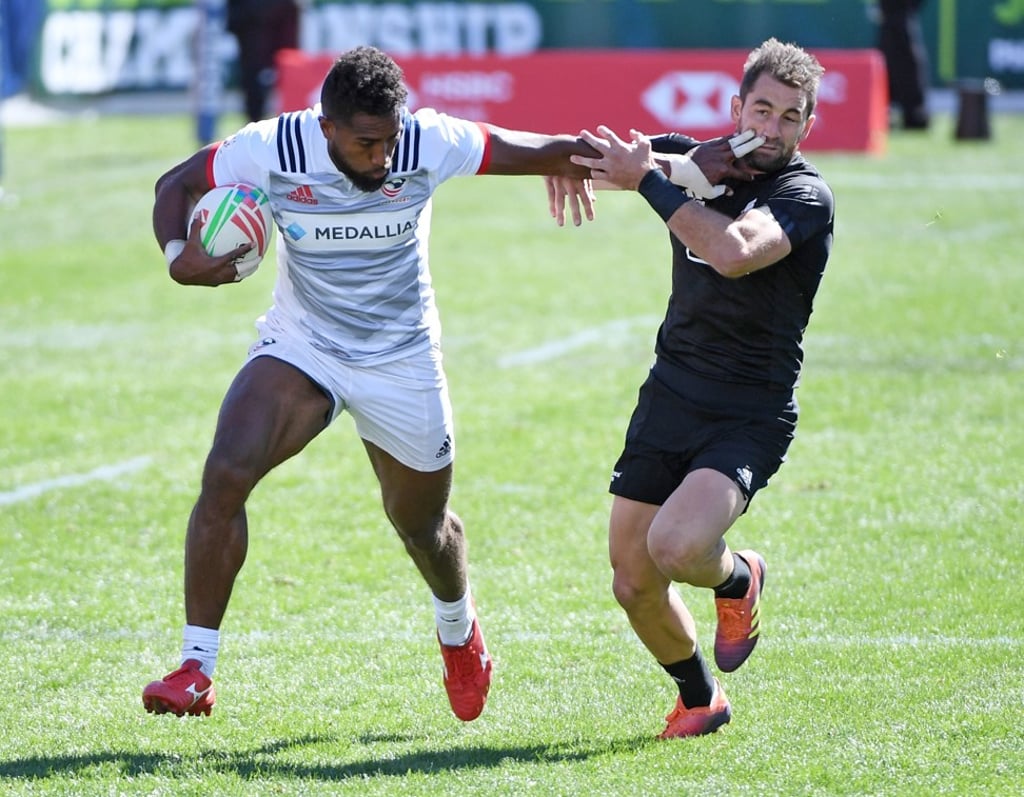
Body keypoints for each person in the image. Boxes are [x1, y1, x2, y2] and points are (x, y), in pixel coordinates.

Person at [142, 45, 596, 722]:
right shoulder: (273, 146)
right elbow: (174, 185)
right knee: (226, 472)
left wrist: (583, 158)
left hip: (401, 356)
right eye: (365, 143)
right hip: (305, 345)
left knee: (421, 526)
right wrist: (180, 260)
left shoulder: (425, 140)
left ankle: (459, 632)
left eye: (389, 141)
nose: (382, 158)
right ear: (326, 128)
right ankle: (196, 667)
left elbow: (519, 146)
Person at [554, 37, 835, 738]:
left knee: (677, 547)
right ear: (736, 105)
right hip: (672, 392)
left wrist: (653, 181)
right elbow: (596, 152)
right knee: (632, 579)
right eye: (761, 109)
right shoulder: (694, 156)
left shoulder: (804, 196)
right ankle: (698, 696)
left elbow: (733, 252)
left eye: (789, 118)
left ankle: (739, 578)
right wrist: (567, 163)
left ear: (809, 125)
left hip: (749, 410)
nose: (770, 130)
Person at [226, 0, 301, 122]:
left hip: (277, 26)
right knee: (253, 79)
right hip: (252, 30)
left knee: (285, 72)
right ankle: (255, 120)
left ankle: (285, 122)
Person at [878, 0, 931, 130]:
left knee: (908, 64)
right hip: (891, 19)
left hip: (902, 18)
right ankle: (887, 111)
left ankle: (915, 114)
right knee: (886, 67)